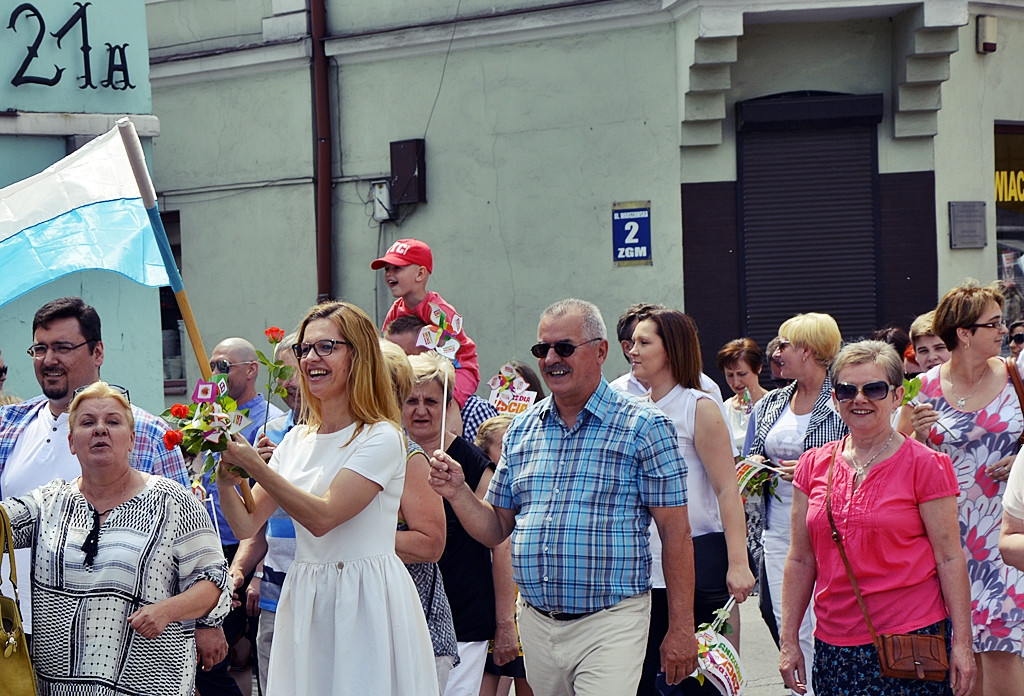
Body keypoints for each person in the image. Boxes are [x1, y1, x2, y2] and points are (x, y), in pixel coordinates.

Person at [429, 298, 699, 696]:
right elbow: (496, 528)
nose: (551, 358)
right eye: (543, 349)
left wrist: (681, 629)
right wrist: (457, 492)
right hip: (538, 623)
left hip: (611, 620)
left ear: (602, 351)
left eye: (565, 348)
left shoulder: (645, 427)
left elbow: (676, 534)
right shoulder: (522, 430)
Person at [215, 300, 436, 695]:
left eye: (326, 347)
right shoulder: (296, 439)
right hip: (305, 593)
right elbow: (247, 523)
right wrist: (228, 480)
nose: (310, 358)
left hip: (364, 596)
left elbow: (324, 517)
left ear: (359, 354)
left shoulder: (381, 437)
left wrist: (258, 467)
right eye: (304, 349)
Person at [1, 381, 231, 696]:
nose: (100, 429)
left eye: (112, 421)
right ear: (71, 442)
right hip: (57, 687)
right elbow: (3, 524)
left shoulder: (170, 499)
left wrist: (167, 610)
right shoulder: (48, 503)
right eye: (87, 422)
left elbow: (213, 579)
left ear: (132, 439)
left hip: (151, 684)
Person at [780, 341, 975, 696]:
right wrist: (789, 640)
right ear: (834, 398)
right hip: (834, 644)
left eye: (874, 388)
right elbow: (800, 558)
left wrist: (962, 644)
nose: (860, 399)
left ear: (897, 395)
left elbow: (949, 558)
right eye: (846, 390)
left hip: (911, 641)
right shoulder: (812, 464)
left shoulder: (926, 465)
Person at [0, 297, 194, 639]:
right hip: (15, 631)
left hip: (113, 638)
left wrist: (199, 629)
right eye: (40, 349)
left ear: (98, 353)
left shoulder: (147, 434)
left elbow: (186, 546)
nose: (49, 360)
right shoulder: (8, 426)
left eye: (62, 347)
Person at [898, 281, 1024, 696]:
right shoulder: (922, 388)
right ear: (964, 334)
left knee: (1005, 655)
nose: (1002, 331)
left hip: (1007, 537)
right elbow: (897, 461)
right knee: (962, 663)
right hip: (949, 544)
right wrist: (915, 438)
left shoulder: (1016, 375)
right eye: (993, 324)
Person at [626, 310, 754, 696]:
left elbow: (727, 489)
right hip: (641, 568)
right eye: (633, 342)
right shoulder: (631, 409)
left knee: (700, 682)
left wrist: (738, 563)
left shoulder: (697, 407)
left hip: (698, 560)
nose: (632, 351)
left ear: (672, 350)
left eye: (644, 343)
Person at [747, 313, 847, 695]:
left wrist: (810, 470)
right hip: (777, 530)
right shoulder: (772, 402)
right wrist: (756, 465)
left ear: (807, 350)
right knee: (787, 623)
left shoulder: (841, 400)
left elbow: (856, 457)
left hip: (828, 528)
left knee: (827, 623)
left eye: (784, 344)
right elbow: (754, 453)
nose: (777, 351)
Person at [405, 351, 512, 696]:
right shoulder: (385, 454)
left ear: (448, 405)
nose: (421, 410)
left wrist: (504, 621)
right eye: (411, 400)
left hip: (464, 614)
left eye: (431, 401)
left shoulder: (471, 460)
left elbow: (499, 539)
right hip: (401, 613)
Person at [201, 336, 283, 695]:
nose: (215, 373)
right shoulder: (208, 416)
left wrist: (257, 570)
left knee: (235, 649)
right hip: (212, 540)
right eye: (211, 366)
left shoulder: (272, 422)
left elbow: (271, 506)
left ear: (252, 370)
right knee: (225, 656)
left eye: (223, 366)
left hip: (246, 545)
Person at [379, 339, 460, 692]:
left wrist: (350, 535)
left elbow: (430, 543)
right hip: (367, 628)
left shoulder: (408, 455)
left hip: (418, 633)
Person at [224, 332, 302, 692]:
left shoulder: (348, 435)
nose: (288, 383)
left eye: (293, 372)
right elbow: (253, 523)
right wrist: (239, 571)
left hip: (323, 592)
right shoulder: (271, 431)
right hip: (275, 594)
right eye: (281, 374)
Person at [372, 238, 481, 408]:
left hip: (459, 370)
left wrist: (451, 400)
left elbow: (455, 356)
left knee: (446, 408)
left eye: (397, 268)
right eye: (387, 269)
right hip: (417, 378)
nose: (388, 274)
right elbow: (388, 353)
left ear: (420, 274)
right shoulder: (395, 311)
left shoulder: (439, 312)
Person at [474, 414, 535, 696]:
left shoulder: (529, 481)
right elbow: (502, 546)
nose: (515, 448)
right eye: (505, 443)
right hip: (494, 604)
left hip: (526, 604)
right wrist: (504, 620)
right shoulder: (487, 486)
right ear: (485, 451)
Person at [385, 314, 497, 442]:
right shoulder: (385, 411)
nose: (394, 366)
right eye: (390, 358)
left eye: (404, 357)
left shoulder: (474, 412)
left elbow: (491, 460)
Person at [716, 338, 768, 452]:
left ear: (758, 368)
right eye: (730, 375)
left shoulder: (774, 404)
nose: (736, 382)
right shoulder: (724, 409)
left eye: (742, 374)